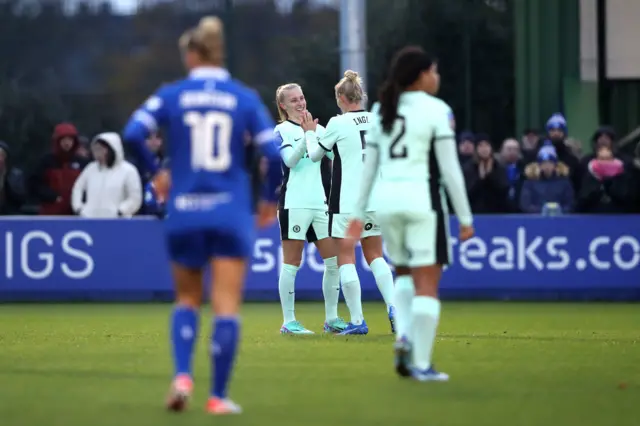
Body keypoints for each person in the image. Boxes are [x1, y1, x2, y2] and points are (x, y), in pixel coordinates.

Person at [122, 16, 282, 415]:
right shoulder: (243, 97)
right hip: (229, 212)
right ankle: (218, 397)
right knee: (226, 304)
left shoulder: (172, 94)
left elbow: (132, 133)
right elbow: (273, 155)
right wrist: (267, 200)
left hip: (185, 211)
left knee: (188, 298)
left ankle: (181, 377)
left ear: (192, 55)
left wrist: (156, 171)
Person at [345, 46, 474, 381]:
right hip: (423, 201)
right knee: (427, 284)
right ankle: (421, 363)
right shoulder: (436, 110)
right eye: (434, 70)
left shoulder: (381, 109)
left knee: (402, 275)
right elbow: (450, 170)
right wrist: (465, 217)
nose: (437, 77)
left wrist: (358, 214)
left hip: (386, 202)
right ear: (420, 76)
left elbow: (369, 168)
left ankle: (403, 335)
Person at [303, 70, 396, 336]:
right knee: (376, 255)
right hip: (376, 199)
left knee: (346, 258)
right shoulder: (378, 120)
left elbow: (313, 155)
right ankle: (394, 307)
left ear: (342, 98)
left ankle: (357, 320)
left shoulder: (337, 123)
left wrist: (310, 133)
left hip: (346, 202)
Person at [273, 83, 345, 334]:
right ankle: (289, 322)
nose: (300, 103)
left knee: (334, 261)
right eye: (293, 100)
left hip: (319, 204)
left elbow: (337, 157)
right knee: (292, 262)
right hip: (294, 204)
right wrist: (307, 136)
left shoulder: (320, 129)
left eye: (302, 97)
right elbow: (290, 161)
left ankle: (332, 319)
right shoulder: (281, 130)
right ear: (283, 105)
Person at [71, 133, 142, 218]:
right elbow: (78, 188)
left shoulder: (128, 170)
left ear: (111, 149)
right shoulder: (90, 169)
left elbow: (135, 197)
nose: (96, 153)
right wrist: (79, 208)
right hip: (91, 220)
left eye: (100, 149)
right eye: (95, 149)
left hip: (117, 222)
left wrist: (121, 211)